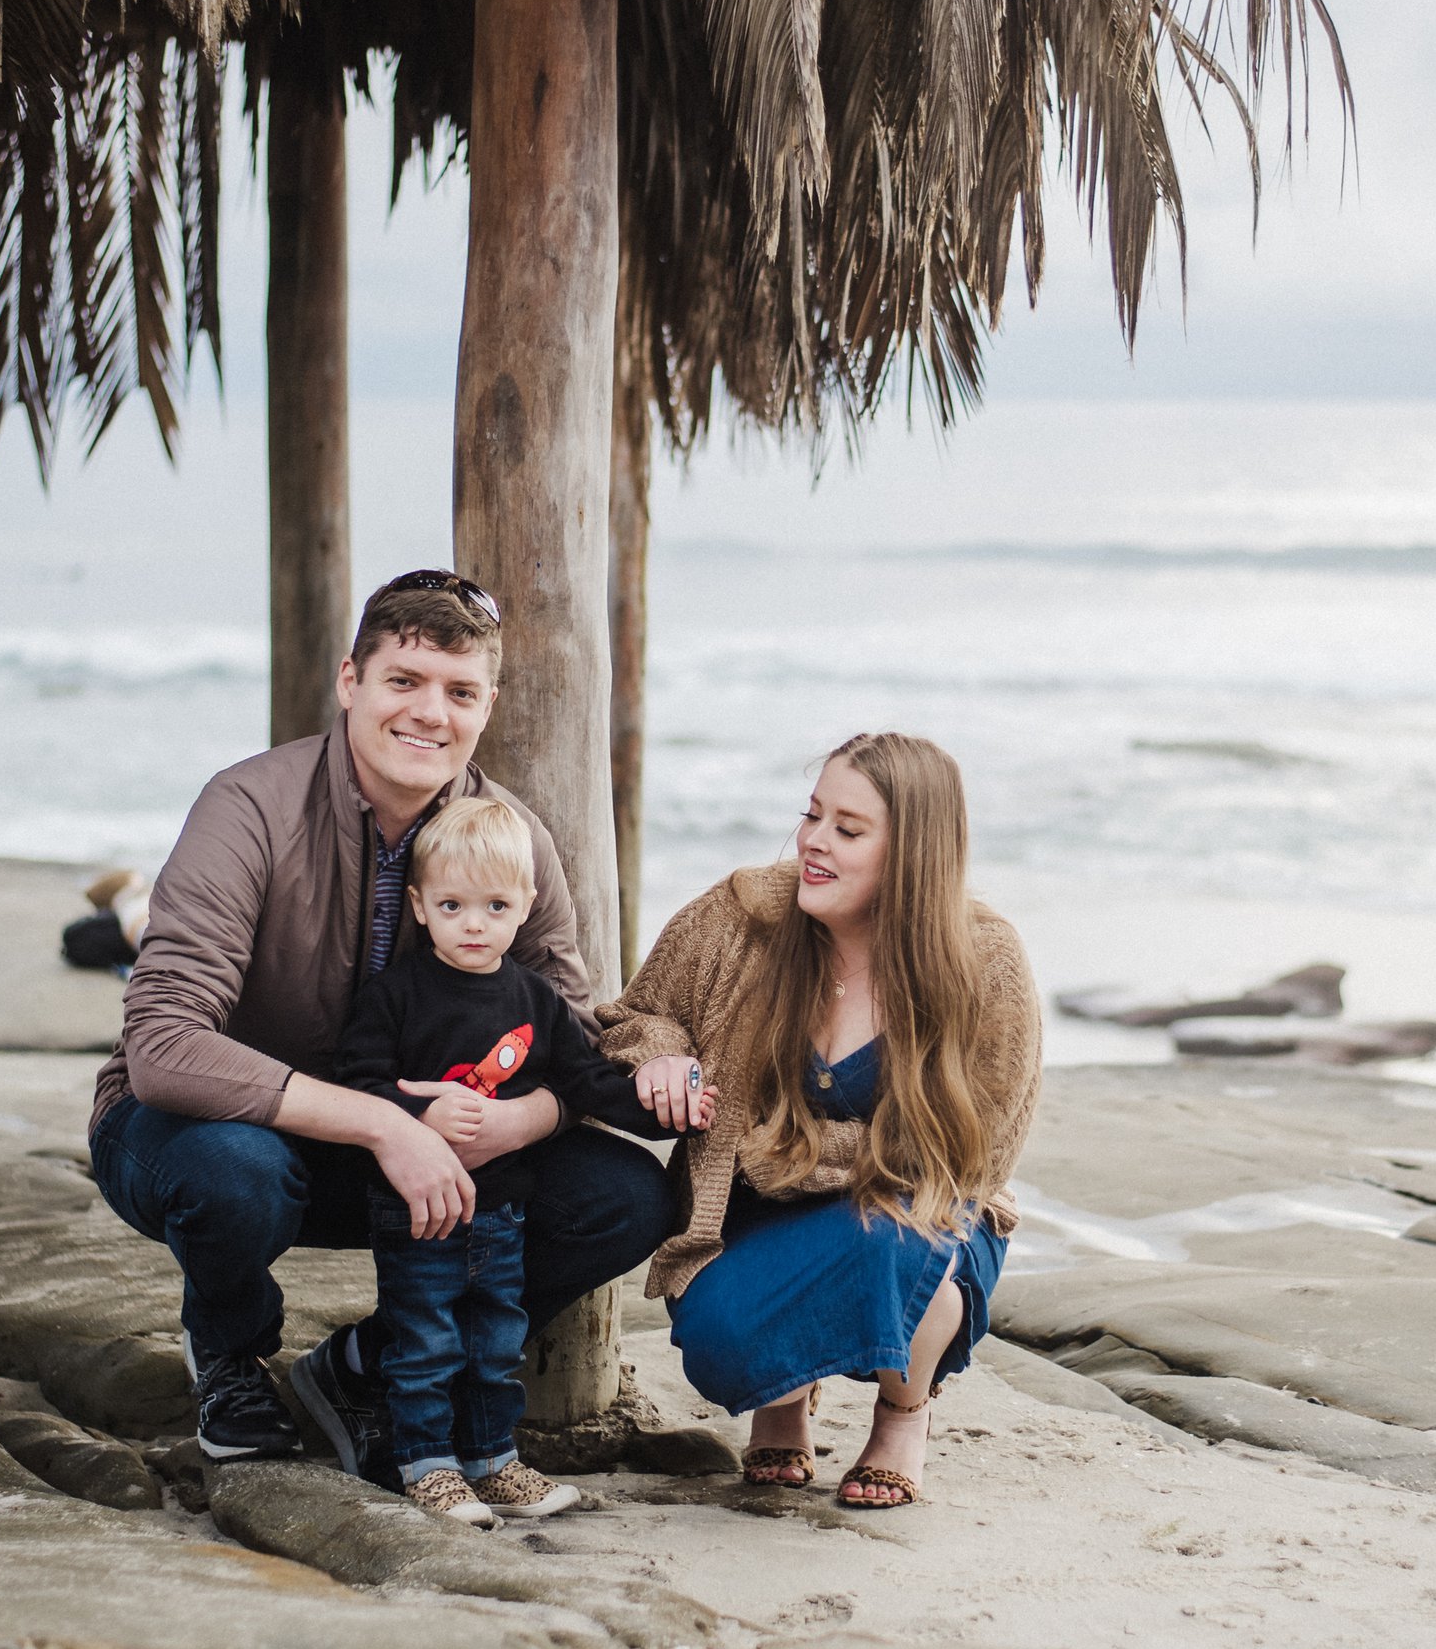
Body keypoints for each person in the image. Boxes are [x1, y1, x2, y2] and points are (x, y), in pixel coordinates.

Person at [87, 570, 676, 1474]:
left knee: (626, 1194)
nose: (430, 713)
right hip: (220, 1135)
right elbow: (162, 1045)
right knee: (233, 1176)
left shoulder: (514, 838)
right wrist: (384, 1124)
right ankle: (229, 1351)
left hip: (435, 1151)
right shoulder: (249, 806)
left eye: (460, 691)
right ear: (350, 682)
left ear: (488, 706)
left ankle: (367, 1363)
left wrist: (521, 1118)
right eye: (404, 680)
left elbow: (569, 1041)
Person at [598, 731, 1041, 1509]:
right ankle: (783, 1395)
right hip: (751, 1218)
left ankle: (903, 1416)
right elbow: (635, 1015)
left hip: (912, 1213)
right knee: (720, 1347)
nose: (814, 843)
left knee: (901, 1247)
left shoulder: (985, 962)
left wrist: (794, 1152)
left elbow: (979, 1154)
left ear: (914, 855)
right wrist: (664, 1056)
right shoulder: (737, 921)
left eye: (848, 828)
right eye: (812, 816)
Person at [334, 794, 712, 1523]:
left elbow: (589, 1083)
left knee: (494, 1342)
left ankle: (491, 1460)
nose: (473, 924)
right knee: (426, 1344)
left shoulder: (534, 1000)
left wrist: (670, 1113)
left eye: (494, 905)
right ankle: (426, 1465)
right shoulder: (395, 997)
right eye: (451, 905)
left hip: (503, 1214)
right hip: (419, 1212)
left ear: (525, 905)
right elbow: (359, 1086)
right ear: (417, 906)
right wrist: (421, 1112)